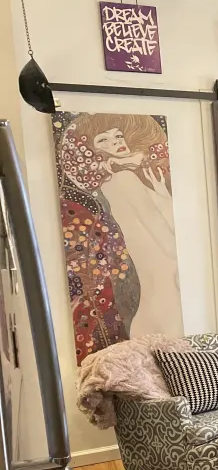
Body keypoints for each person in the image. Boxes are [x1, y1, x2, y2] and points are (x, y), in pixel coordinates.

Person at [54, 113, 182, 363]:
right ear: (90, 151)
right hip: (163, 301)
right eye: (103, 140)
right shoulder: (124, 180)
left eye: (118, 135)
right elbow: (168, 244)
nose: (115, 142)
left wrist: (159, 191)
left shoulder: (123, 180)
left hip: (157, 298)